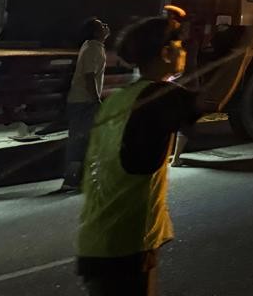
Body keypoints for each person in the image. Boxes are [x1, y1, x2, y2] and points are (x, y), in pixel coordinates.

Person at [76, 16, 201, 295]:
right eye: (180, 46)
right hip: (128, 240)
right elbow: (211, 101)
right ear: (165, 53)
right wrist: (244, 46)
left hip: (96, 236)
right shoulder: (159, 95)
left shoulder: (119, 98)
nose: (183, 51)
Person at [62, 18, 109, 191]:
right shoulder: (92, 49)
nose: (106, 27)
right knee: (80, 139)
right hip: (83, 100)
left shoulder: (93, 47)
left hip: (81, 100)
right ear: (96, 32)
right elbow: (89, 77)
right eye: (102, 26)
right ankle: (72, 178)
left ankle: (79, 177)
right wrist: (96, 99)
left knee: (84, 138)